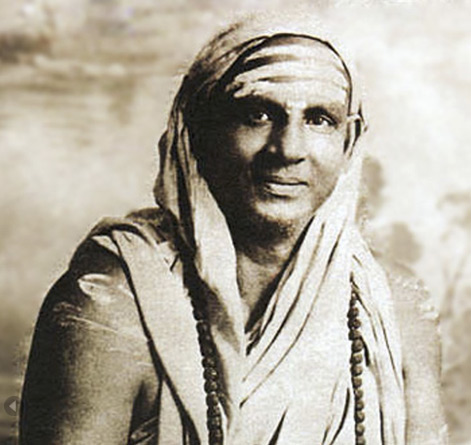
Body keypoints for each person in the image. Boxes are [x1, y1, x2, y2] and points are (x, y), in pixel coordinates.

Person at [20, 15, 447, 445]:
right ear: (201, 129)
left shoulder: (396, 308)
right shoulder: (109, 304)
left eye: (319, 119)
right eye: (257, 115)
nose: (288, 149)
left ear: (349, 142)